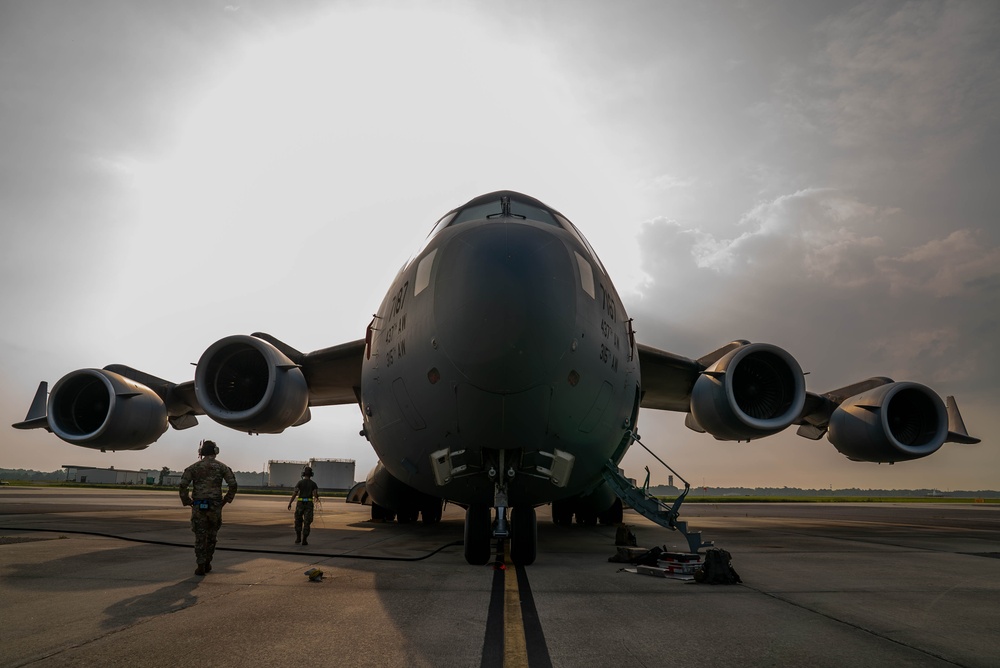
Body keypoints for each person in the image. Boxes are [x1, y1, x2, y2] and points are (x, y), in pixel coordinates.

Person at [179, 440, 237, 575]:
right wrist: (225, 501)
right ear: (216, 452)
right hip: (215, 506)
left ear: (201, 452)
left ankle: (200, 564)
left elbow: (183, 485)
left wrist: (187, 501)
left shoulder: (193, 468)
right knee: (212, 536)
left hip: (199, 506)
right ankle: (207, 562)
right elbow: (233, 485)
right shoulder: (222, 467)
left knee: (200, 536)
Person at [288, 466, 320, 545]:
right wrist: (317, 497)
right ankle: (304, 539)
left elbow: (295, 493)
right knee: (307, 522)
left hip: (300, 504)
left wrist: (290, 503)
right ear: (311, 474)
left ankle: (298, 538)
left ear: (304, 474)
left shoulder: (300, 483)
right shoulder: (313, 484)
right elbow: (315, 494)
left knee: (298, 520)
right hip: (308, 505)